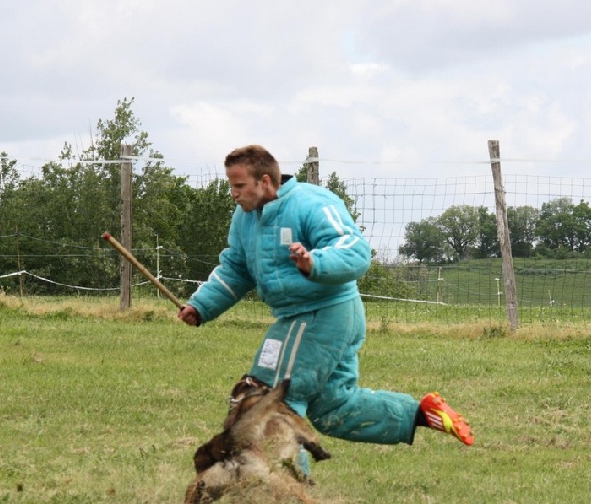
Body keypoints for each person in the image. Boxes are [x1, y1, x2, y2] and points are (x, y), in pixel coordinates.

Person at [178, 145, 473, 473]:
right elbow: (236, 268)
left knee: (268, 399)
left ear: (264, 181)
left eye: (239, 185)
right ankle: (422, 413)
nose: (233, 193)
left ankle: (286, 486)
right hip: (306, 317)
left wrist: (314, 262)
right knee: (334, 408)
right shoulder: (244, 218)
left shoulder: (311, 203)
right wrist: (201, 306)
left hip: (321, 314)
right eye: (231, 185)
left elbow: (355, 250)